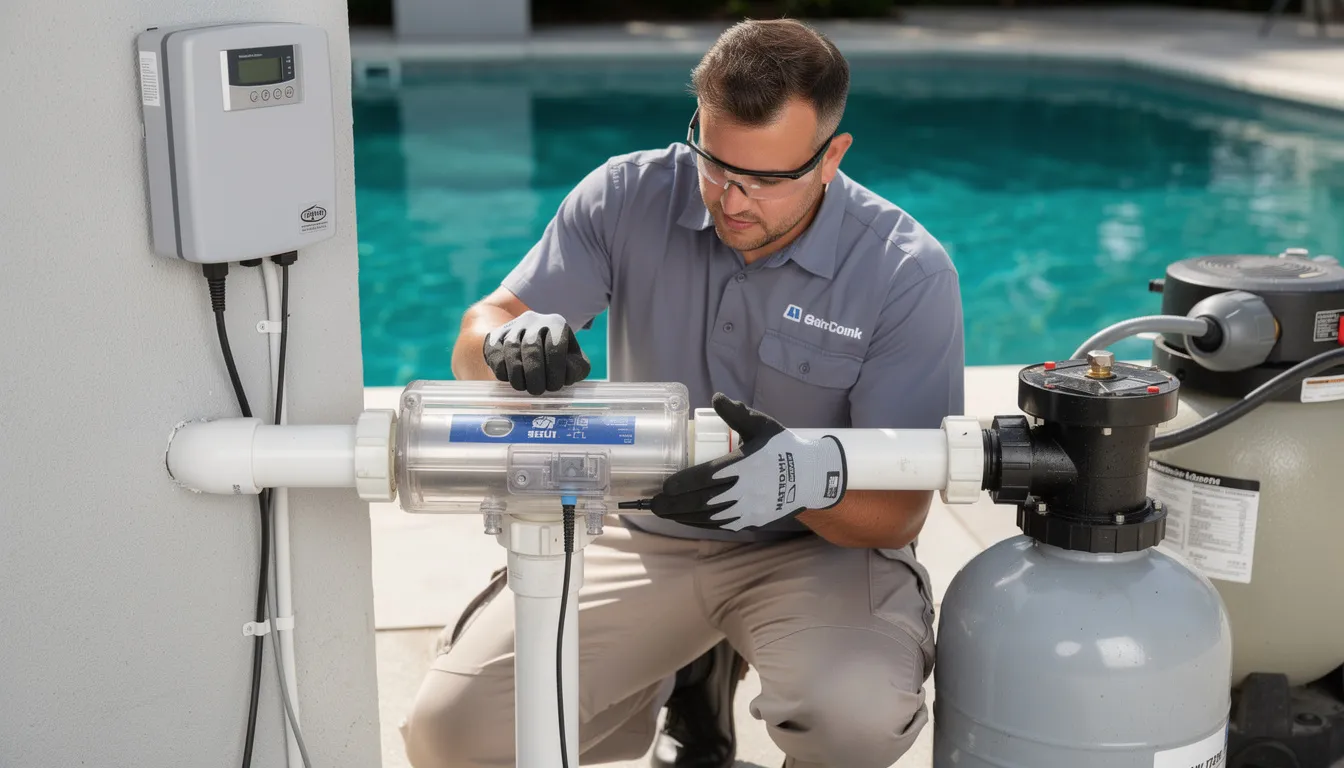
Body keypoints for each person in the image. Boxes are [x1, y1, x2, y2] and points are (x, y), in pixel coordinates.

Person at [400, 17, 965, 768]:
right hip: (639, 531)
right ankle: (684, 671)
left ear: (832, 156)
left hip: (812, 551)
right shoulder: (627, 193)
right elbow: (483, 328)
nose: (732, 200)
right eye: (715, 163)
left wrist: (795, 486)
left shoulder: (907, 274)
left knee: (853, 723)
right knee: (452, 738)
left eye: (766, 179)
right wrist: (505, 346)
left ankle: (710, 663)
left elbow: (899, 511)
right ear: (698, 125)